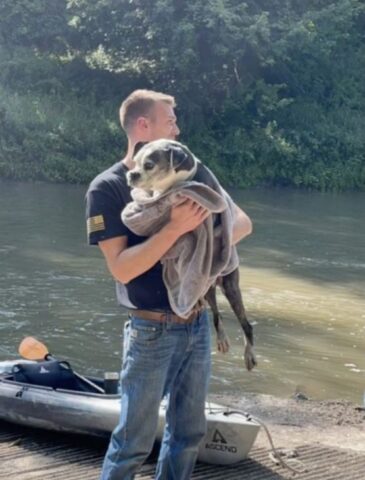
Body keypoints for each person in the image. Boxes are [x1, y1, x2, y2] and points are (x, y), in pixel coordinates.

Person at [85, 89, 252, 480]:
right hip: (150, 331)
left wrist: (205, 236)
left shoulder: (191, 174)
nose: (178, 127)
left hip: (195, 323)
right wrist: (177, 228)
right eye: (170, 120)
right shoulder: (107, 188)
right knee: (133, 443)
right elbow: (122, 269)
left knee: (188, 435)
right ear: (144, 126)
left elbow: (242, 223)